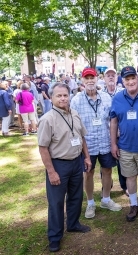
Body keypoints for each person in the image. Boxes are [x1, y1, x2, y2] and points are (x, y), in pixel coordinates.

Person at [37, 82, 92, 252]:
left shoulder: (74, 114)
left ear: (70, 96)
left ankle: (73, 224)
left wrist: (87, 157)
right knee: (56, 202)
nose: (63, 98)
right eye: (58, 95)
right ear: (51, 98)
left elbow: (82, 137)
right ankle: (55, 236)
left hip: (76, 162)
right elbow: (43, 147)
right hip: (58, 164)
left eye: (65, 95)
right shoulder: (47, 119)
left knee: (76, 196)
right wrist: (51, 171)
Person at [70, 68, 122, 219]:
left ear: (97, 78)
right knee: (88, 173)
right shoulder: (76, 100)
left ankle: (106, 199)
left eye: (92, 77)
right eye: (87, 78)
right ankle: (91, 203)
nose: (90, 80)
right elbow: (74, 125)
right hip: (88, 145)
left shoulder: (106, 98)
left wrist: (115, 141)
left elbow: (112, 121)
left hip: (105, 142)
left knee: (107, 171)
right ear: (82, 80)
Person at [110, 66, 138, 222]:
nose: (130, 82)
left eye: (132, 78)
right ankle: (133, 204)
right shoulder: (117, 98)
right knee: (130, 177)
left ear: (137, 78)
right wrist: (113, 144)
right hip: (125, 146)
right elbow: (114, 122)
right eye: (127, 79)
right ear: (122, 82)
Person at [102, 67, 128, 196]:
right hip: (105, 134)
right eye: (108, 75)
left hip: (121, 133)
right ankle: (106, 186)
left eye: (113, 75)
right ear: (104, 78)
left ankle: (125, 186)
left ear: (117, 78)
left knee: (122, 161)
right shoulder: (100, 94)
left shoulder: (124, 92)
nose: (111, 77)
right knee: (105, 163)